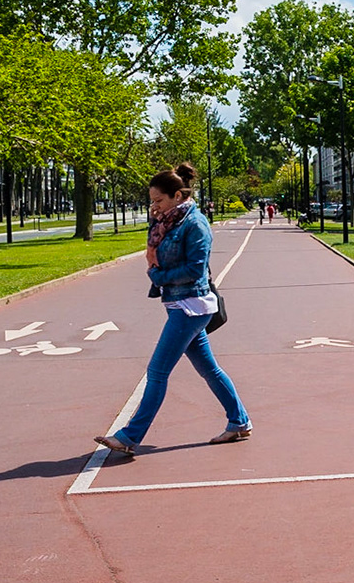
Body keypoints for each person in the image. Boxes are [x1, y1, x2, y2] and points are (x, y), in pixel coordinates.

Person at [94, 163, 251, 456]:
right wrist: (155, 225)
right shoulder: (167, 222)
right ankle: (239, 421)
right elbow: (157, 252)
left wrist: (158, 277)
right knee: (210, 370)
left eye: (158, 201)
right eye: (152, 201)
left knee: (157, 371)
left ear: (178, 195)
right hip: (178, 303)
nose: (154, 207)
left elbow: (194, 270)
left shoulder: (195, 225)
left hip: (191, 306)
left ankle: (129, 436)